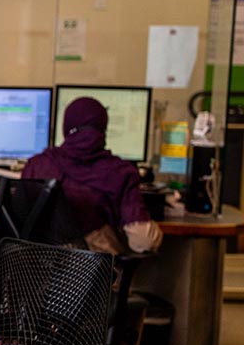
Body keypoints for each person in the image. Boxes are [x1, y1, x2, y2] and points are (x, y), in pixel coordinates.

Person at [22, 96, 162, 254]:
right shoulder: (119, 173)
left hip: (36, 273)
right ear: (103, 129)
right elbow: (143, 242)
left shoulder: (37, 165)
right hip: (94, 275)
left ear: (66, 128)